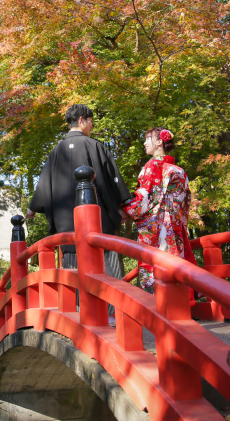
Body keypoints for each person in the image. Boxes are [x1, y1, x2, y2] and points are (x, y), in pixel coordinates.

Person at [25, 104, 131, 320]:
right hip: (99, 223)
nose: (92, 126)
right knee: (108, 264)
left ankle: (79, 315)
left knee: (73, 271)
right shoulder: (96, 147)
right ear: (82, 120)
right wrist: (122, 206)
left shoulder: (56, 151)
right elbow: (112, 180)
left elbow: (44, 183)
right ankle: (115, 316)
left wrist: (33, 207)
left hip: (68, 227)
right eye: (91, 122)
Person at [123, 128, 196, 295]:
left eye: (148, 139)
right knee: (176, 265)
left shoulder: (152, 166)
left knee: (155, 265)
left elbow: (144, 196)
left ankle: (158, 308)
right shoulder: (179, 171)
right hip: (175, 228)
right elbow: (185, 204)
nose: (144, 143)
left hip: (158, 228)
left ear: (159, 142)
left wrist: (125, 209)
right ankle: (182, 304)